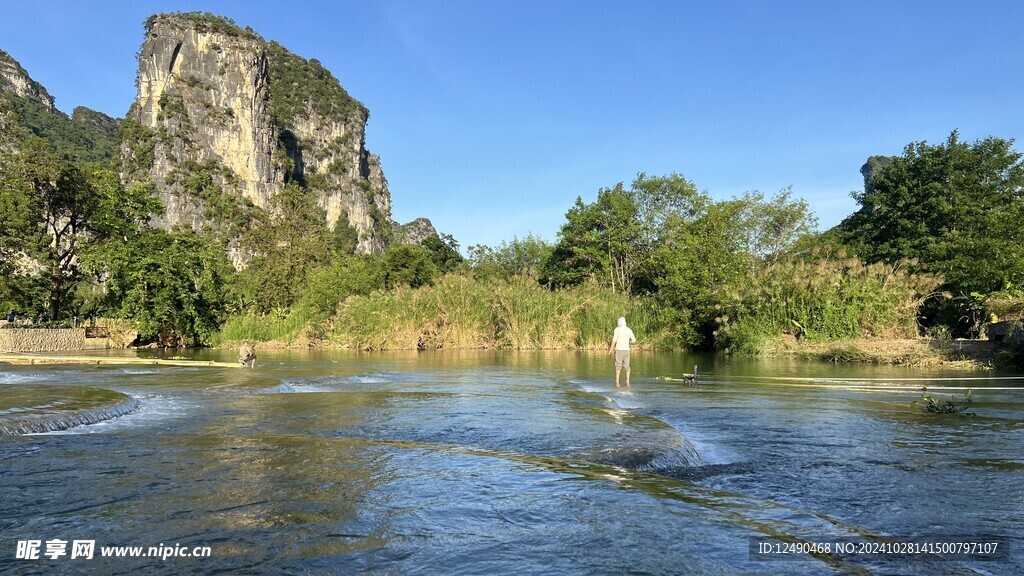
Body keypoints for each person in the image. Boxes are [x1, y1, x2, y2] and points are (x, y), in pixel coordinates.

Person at [608, 316, 636, 387]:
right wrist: (629, 341)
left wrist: (610, 350)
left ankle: (617, 382)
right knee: (627, 365)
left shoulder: (617, 330)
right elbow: (634, 340)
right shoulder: (629, 330)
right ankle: (628, 381)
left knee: (618, 365)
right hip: (626, 350)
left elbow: (614, 340)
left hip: (619, 350)